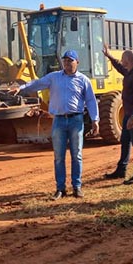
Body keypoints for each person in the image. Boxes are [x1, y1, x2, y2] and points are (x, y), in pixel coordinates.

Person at [10, 50, 99, 199]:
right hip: (58, 121)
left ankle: (77, 187)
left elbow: (90, 100)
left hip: (76, 120)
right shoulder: (54, 77)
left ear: (77, 62)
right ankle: (60, 189)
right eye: (64, 60)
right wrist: (21, 88)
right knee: (59, 156)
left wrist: (95, 120)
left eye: (70, 60)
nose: (67, 63)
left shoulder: (83, 80)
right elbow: (37, 83)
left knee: (76, 155)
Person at [102, 44, 133, 184]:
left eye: (123, 58)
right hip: (129, 113)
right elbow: (119, 67)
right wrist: (109, 56)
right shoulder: (129, 72)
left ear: (129, 59)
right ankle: (121, 170)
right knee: (125, 141)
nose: (121, 61)